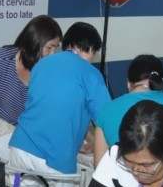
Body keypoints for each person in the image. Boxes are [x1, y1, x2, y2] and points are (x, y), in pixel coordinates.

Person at [7, 22, 111, 176]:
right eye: (93, 52)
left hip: (20, 149)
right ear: (89, 49)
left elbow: (50, 107)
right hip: (54, 160)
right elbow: (106, 120)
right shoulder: (91, 74)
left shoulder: (41, 65)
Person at [94, 54, 163, 162]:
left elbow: (99, 164)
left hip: (120, 177)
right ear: (161, 82)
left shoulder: (107, 109)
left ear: (128, 83)